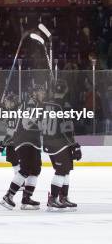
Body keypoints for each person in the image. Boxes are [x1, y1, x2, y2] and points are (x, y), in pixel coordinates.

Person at [0, 85, 45, 210]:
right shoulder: (31, 104)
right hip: (25, 140)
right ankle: (8, 196)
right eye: (41, 92)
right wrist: (42, 124)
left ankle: (26, 199)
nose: (43, 94)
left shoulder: (35, 104)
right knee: (26, 169)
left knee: (35, 169)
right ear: (34, 93)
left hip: (33, 141)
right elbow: (26, 123)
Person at [43, 80, 82, 210]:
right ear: (66, 90)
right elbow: (67, 129)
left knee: (65, 170)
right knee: (61, 171)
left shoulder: (46, 104)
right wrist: (74, 145)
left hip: (48, 142)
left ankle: (63, 197)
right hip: (60, 144)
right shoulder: (65, 105)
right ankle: (53, 198)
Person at [0, 93, 21, 177]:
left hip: (17, 141)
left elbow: (13, 132)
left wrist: (4, 143)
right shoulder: (12, 111)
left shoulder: (16, 113)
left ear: (13, 103)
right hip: (14, 140)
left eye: (8, 102)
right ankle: (19, 179)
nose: (6, 103)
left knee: (15, 160)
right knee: (13, 160)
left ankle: (20, 180)